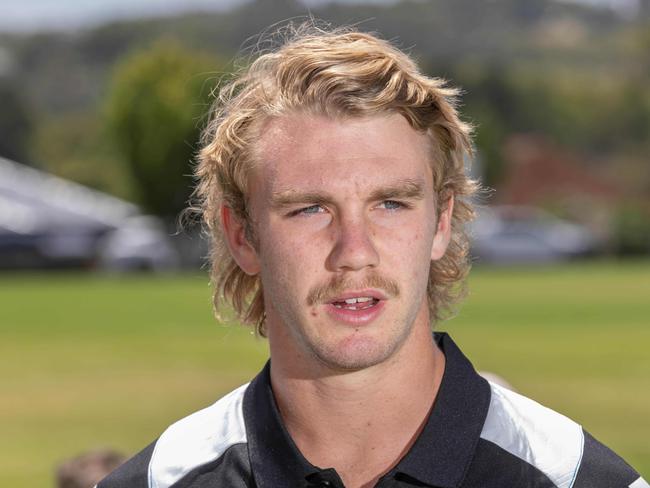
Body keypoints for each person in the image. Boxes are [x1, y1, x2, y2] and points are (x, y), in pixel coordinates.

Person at [97, 24, 647, 488]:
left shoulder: (576, 478)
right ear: (242, 236)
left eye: (390, 204)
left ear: (441, 221)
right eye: (310, 209)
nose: (354, 253)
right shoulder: (159, 480)